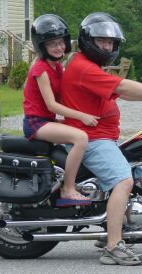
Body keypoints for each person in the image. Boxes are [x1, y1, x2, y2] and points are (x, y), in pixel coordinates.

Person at [61, 12, 142, 266]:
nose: (107, 46)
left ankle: (114, 228)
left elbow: (116, 92)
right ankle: (113, 246)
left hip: (97, 137)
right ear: (87, 40)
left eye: (111, 42)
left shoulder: (88, 66)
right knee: (124, 181)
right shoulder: (83, 67)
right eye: (102, 41)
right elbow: (122, 86)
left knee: (131, 169)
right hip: (93, 140)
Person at [23, 14, 100, 207]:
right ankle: (68, 189)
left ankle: (84, 180)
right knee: (80, 138)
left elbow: (69, 92)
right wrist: (82, 116)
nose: (59, 47)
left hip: (46, 121)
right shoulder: (40, 70)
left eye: (60, 42)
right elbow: (52, 105)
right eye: (52, 44)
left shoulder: (57, 66)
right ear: (42, 47)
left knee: (84, 130)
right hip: (36, 123)